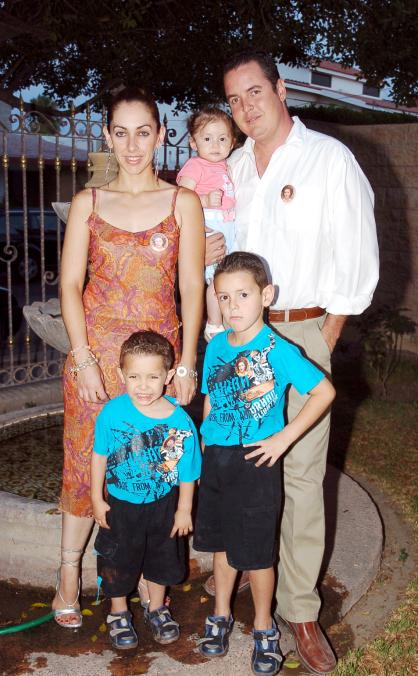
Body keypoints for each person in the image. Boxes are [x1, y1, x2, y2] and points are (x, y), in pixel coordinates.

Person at [204, 51, 379, 674]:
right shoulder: (229, 170)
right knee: (239, 468)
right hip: (234, 339)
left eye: (255, 92)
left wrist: (322, 340)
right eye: (234, 99)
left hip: (302, 334)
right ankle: (251, 585)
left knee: (301, 476)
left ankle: (300, 613)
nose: (245, 108)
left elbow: (355, 261)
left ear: (280, 90)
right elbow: (212, 257)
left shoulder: (328, 160)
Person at [52, 86, 205, 629]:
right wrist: (85, 357)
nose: (133, 144)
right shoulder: (88, 203)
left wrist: (186, 364)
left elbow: (192, 288)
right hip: (95, 361)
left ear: (161, 135)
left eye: (144, 132)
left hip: (157, 367)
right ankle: (69, 573)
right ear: (108, 137)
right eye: (122, 132)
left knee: (153, 467)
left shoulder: (182, 202)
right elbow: (71, 284)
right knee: (82, 463)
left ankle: (147, 579)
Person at [194, 252, 335, 676]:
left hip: (256, 463)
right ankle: (220, 615)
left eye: (243, 295)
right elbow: (210, 399)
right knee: (220, 547)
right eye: (224, 297)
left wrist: (284, 438)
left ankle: (263, 626)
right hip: (217, 460)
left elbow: (324, 393)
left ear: (266, 295)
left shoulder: (279, 349)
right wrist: (203, 444)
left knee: (257, 555)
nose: (233, 305)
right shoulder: (217, 345)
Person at [91, 331, 201, 650]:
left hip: (163, 505)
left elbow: (188, 471)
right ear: (120, 374)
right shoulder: (111, 413)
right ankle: (118, 612)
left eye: (152, 377)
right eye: (134, 376)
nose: (143, 385)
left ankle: (156, 607)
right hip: (121, 505)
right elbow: (98, 455)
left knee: (162, 558)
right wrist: (97, 498)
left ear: (168, 376)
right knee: (117, 559)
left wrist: (183, 509)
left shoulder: (180, 421)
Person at [177, 106, 236, 341]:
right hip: (210, 225)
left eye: (222, 139)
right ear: (193, 142)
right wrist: (204, 200)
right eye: (207, 138)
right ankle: (213, 324)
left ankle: (228, 320)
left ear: (232, 143)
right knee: (216, 279)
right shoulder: (195, 165)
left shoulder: (225, 166)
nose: (215, 145)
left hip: (228, 225)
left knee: (229, 277)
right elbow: (181, 199)